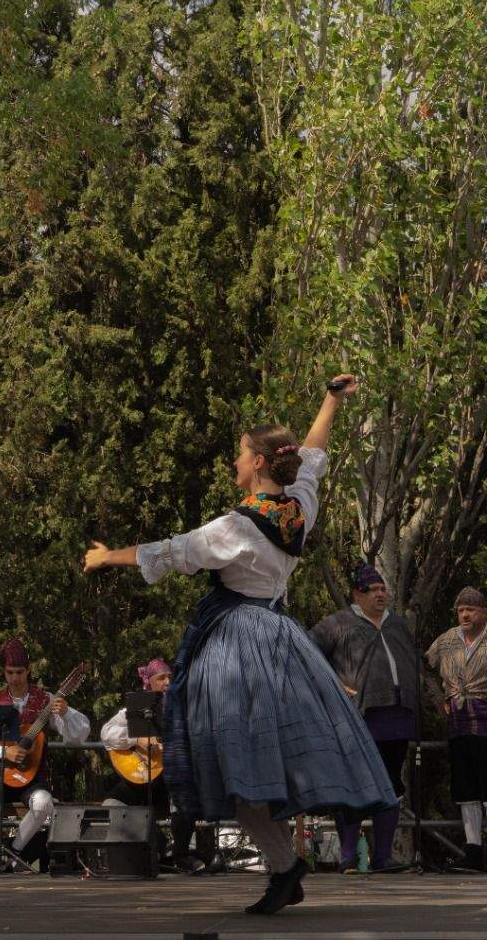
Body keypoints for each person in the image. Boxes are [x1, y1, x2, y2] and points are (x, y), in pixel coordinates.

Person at [82, 375, 396, 915]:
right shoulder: (298, 510)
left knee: (234, 763)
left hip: (236, 642)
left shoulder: (238, 526)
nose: (235, 462)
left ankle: (283, 867)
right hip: (279, 635)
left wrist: (106, 556)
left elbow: (174, 551)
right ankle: (284, 868)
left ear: (257, 463)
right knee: (257, 763)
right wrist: (330, 400)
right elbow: (314, 456)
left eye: (239, 454)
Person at [311, 563, 421, 873]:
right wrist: (332, 682)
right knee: (354, 784)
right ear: (357, 594)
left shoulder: (398, 625)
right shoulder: (337, 623)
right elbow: (307, 652)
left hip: (398, 715)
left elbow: (416, 664)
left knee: (389, 785)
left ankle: (382, 857)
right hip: (359, 717)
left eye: (383, 589)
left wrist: (432, 700)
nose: (381, 594)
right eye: (373, 590)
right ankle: (348, 858)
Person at [0, 637, 91, 870]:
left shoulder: (46, 701)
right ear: (4, 672)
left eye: (19, 672)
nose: (15, 678)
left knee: (43, 803)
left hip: (34, 779)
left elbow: (78, 736)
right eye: (10, 673)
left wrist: (66, 712)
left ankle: (14, 852)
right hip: (1, 776)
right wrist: (2, 751)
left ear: (28, 670)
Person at [425, 587, 487, 870]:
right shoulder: (446, 639)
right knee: (465, 785)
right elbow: (423, 666)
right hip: (457, 717)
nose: (465, 614)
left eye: (471, 609)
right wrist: (437, 697)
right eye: (461, 609)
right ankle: (473, 848)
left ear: (483, 611)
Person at [99, 657, 202, 873]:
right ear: (150, 682)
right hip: (143, 774)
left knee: (183, 794)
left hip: (170, 777)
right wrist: (137, 739)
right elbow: (106, 733)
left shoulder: (185, 708)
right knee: (112, 803)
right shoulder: (137, 708)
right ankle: (158, 848)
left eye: (170, 677)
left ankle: (182, 853)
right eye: (161, 678)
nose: (167, 682)